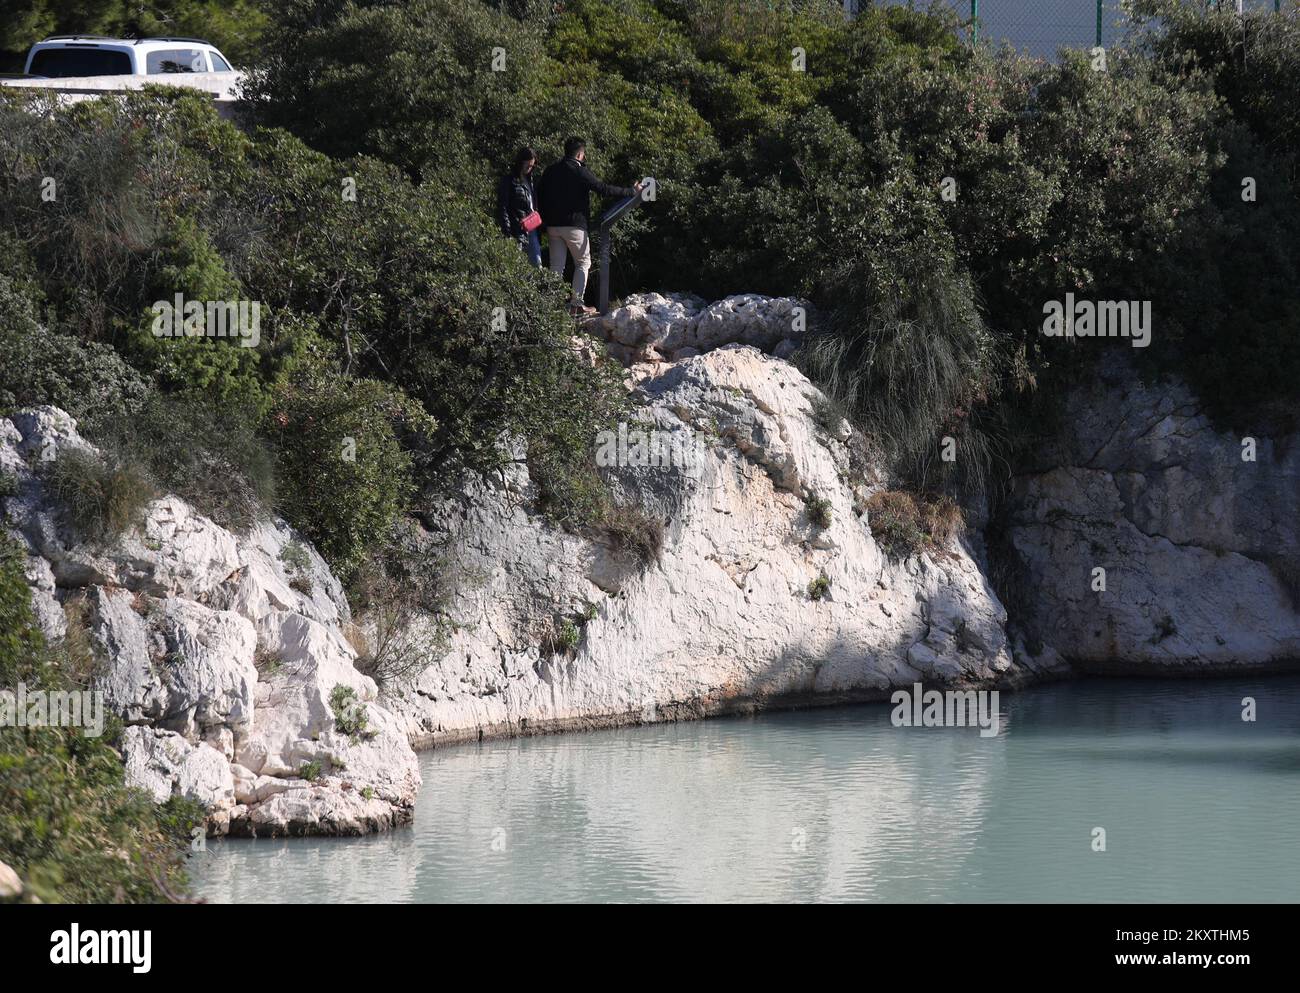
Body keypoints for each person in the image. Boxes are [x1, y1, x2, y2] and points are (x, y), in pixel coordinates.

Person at [537, 136, 642, 315]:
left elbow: (540, 194)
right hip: (574, 226)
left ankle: (549, 307)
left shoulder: (550, 170)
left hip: (552, 226)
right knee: (583, 262)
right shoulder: (579, 171)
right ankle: (576, 305)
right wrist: (631, 192)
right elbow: (602, 188)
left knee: (556, 266)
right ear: (580, 154)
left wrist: (545, 220)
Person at [497, 146, 542, 267]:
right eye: (527, 165)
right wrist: (507, 231)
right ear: (520, 162)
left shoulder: (531, 181)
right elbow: (503, 206)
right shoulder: (509, 181)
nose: (529, 169)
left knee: (537, 264)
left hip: (532, 227)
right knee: (516, 265)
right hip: (517, 228)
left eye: (532, 166)